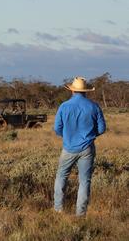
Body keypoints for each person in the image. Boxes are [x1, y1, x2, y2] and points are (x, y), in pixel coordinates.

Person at [53, 76, 106, 216]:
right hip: (87, 148)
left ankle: (58, 210)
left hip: (68, 148)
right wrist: (89, 136)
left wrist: (68, 136)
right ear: (86, 91)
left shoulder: (64, 106)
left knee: (61, 177)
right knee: (84, 181)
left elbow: (57, 128)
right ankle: (80, 214)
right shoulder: (94, 106)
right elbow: (101, 129)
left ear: (72, 91)